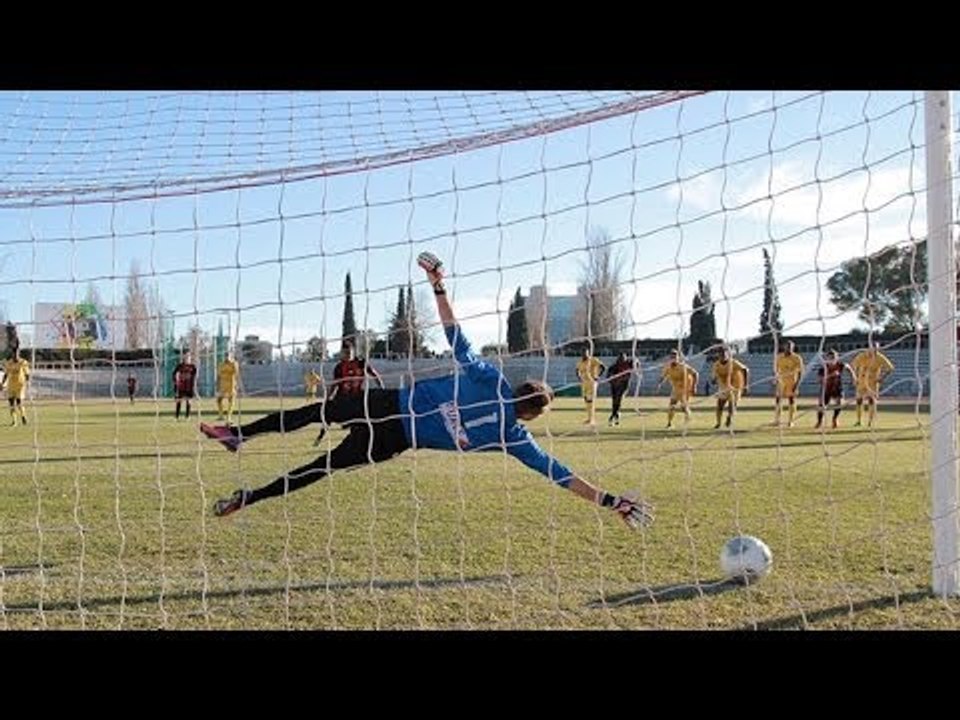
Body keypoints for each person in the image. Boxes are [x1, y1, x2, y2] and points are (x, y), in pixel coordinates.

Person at [201, 251, 653, 531]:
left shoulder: (490, 381)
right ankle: (250, 496)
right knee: (319, 468)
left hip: (388, 407)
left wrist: (438, 285)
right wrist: (611, 501)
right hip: (395, 438)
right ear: (531, 416)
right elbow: (561, 474)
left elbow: (454, 332)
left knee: (318, 412)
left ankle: (241, 434)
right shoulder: (516, 438)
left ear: (516, 390)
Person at [850, 341, 895, 427]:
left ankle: (870, 422)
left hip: (872, 382)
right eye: (873, 347)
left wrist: (882, 378)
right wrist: (855, 377)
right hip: (861, 381)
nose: (874, 349)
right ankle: (859, 421)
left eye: (876, 348)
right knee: (859, 400)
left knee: (871, 401)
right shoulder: (862, 355)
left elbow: (890, 368)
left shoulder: (880, 357)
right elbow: (853, 366)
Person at [656, 349, 698, 429]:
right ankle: (669, 423)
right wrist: (659, 384)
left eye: (675, 356)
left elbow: (695, 374)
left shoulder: (683, 366)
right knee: (671, 405)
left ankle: (688, 418)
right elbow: (663, 376)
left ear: (678, 358)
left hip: (685, 388)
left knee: (683, 407)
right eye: (672, 357)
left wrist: (694, 386)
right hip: (676, 388)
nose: (673, 358)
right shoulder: (668, 367)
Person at [815, 349, 856, 430]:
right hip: (826, 389)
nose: (832, 359)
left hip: (837, 388)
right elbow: (819, 380)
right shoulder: (823, 368)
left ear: (837, 358)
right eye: (830, 357)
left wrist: (854, 378)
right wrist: (831, 375)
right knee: (822, 406)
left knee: (840, 403)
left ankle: (835, 419)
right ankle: (819, 421)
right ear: (827, 358)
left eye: (833, 357)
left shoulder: (840, 365)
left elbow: (848, 367)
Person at [712, 347, 750, 430]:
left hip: (735, 386)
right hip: (723, 387)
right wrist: (714, 380)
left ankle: (729, 418)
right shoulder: (716, 364)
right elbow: (714, 376)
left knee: (732, 405)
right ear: (718, 355)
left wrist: (746, 384)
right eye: (720, 353)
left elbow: (745, 370)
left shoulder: (733, 362)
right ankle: (718, 423)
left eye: (724, 353)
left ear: (727, 354)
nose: (722, 355)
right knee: (719, 405)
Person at [774, 340, 804, 428]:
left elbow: (801, 372)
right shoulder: (779, 357)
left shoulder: (797, 358)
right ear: (784, 347)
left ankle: (791, 421)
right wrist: (776, 379)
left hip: (792, 381)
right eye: (787, 346)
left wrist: (797, 384)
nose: (788, 348)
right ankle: (777, 420)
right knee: (778, 400)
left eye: (790, 347)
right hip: (781, 382)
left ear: (793, 348)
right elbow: (776, 370)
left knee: (791, 400)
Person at [575, 348, 605, 426]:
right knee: (586, 401)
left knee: (590, 400)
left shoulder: (593, 360)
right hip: (584, 383)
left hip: (592, 383)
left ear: (588, 353)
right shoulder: (580, 362)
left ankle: (592, 419)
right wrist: (579, 377)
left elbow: (603, 367)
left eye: (585, 353)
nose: (584, 354)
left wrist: (597, 376)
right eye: (583, 353)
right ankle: (589, 419)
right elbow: (577, 370)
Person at [1, 346, 30, 426]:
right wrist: (2, 383)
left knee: (19, 402)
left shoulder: (23, 362)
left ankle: (23, 416)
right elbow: (6, 374)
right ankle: (14, 421)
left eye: (17, 354)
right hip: (11, 385)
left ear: (19, 354)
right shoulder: (9, 363)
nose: (15, 356)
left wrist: (27, 382)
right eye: (14, 354)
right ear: (12, 354)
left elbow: (27, 374)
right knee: (11, 403)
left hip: (20, 385)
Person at [606, 352, 637, 426]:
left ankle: (614, 415)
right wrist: (613, 380)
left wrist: (635, 361)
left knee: (619, 399)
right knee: (614, 401)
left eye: (623, 358)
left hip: (624, 385)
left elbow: (636, 364)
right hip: (614, 386)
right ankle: (615, 415)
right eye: (620, 358)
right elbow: (608, 376)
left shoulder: (629, 364)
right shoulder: (614, 366)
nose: (622, 359)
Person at [216, 350, 241, 423]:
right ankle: (221, 415)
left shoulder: (234, 363)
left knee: (231, 400)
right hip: (223, 385)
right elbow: (218, 375)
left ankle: (229, 417)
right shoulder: (221, 364)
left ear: (231, 356)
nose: (226, 357)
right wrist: (217, 385)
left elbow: (237, 375)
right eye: (226, 355)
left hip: (231, 385)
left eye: (228, 355)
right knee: (218, 400)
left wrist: (237, 385)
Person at [172, 351, 198, 420]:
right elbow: (174, 374)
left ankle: (187, 416)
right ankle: (176, 416)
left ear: (190, 358)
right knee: (179, 401)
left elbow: (195, 376)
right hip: (181, 386)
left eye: (188, 357)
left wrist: (194, 384)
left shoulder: (193, 367)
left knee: (189, 401)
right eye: (186, 357)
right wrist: (175, 381)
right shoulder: (180, 366)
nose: (187, 358)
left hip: (189, 387)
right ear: (184, 358)